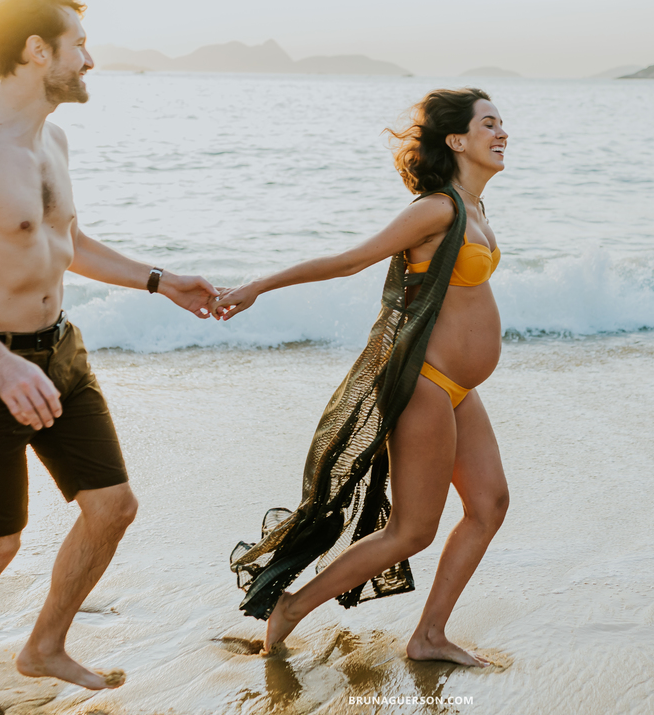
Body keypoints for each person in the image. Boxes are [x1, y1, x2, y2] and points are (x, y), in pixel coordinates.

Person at [0, 0, 220, 715]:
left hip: (60, 353)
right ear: (38, 51)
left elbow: (67, 242)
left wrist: (160, 280)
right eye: (79, 46)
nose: (90, 60)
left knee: (113, 507)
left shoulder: (52, 141)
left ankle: (43, 645)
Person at [217, 88, 510, 666]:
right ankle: (292, 607)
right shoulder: (438, 208)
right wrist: (258, 286)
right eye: (489, 124)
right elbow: (350, 260)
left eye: (502, 124)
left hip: (458, 389)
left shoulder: (474, 207)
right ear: (457, 140)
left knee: (490, 504)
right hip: (425, 383)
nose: (502, 134)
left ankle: (429, 636)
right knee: (412, 530)